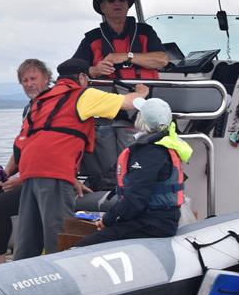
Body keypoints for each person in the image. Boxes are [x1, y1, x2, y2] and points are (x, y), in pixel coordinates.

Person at [13, 58, 150, 260]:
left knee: (28, 239)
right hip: (54, 170)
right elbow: (129, 103)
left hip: (29, 170)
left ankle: (19, 276)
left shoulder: (42, 100)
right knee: (59, 236)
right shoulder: (82, 94)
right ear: (83, 77)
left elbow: (22, 142)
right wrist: (142, 92)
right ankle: (62, 279)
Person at [0, 59, 52, 266]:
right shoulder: (29, 109)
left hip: (41, 179)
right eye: (24, 81)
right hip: (24, 175)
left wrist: (21, 179)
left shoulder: (53, 107)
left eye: (33, 78)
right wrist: (4, 175)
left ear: (47, 79)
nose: (29, 84)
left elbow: (49, 153)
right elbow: (21, 147)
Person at [75, 98, 193, 247]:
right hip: (158, 220)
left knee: (81, 247)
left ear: (141, 119)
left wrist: (108, 219)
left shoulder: (149, 152)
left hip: (151, 224)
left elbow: (135, 200)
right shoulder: (165, 145)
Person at [72, 0, 169, 80]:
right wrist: (94, 70)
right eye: (111, 0)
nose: (117, 3)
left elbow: (162, 60)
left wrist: (126, 56)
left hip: (148, 93)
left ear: (127, 4)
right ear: (102, 7)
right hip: (107, 94)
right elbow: (71, 71)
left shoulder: (145, 31)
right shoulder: (92, 38)